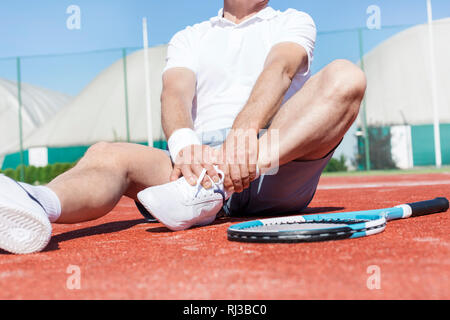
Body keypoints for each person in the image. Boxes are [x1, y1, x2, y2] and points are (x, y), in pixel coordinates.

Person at [0, 0, 366, 254]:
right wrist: (184, 145)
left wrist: (241, 138)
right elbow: (174, 95)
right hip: (196, 165)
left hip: (270, 155)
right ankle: (33, 203)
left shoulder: (293, 20)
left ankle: (215, 186)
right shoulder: (189, 36)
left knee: (346, 78)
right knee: (105, 154)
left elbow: (280, 69)